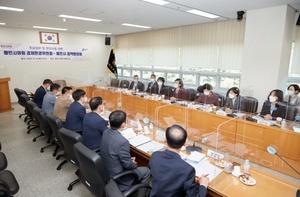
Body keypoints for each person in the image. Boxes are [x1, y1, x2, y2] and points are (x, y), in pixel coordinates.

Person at [149, 124, 209, 197]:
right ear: (184, 143)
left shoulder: (155, 156)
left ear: (165, 140)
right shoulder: (187, 170)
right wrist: (203, 185)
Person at [100, 110, 150, 194]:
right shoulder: (122, 141)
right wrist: (133, 163)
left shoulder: (106, 132)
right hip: (119, 177)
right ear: (123, 124)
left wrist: (128, 159)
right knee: (146, 171)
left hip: (107, 170)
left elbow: (113, 152)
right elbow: (128, 165)